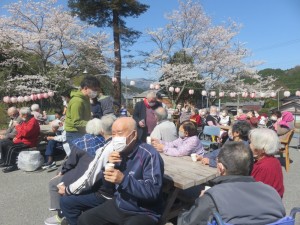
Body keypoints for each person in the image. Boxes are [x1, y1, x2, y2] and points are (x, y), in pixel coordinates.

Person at [77, 117, 164, 225]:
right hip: (120, 203)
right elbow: (108, 187)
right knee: (85, 219)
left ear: (134, 135)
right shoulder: (118, 153)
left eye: (119, 133)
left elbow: (153, 192)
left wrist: (123, 180)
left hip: (144, 211)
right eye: (113, 134)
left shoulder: (149, 154)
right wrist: (109, 166)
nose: (116, 138)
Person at [177, 142, 286, 225]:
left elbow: (187, 222)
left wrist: (197, 202)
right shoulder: (272, 193)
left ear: (220, 168)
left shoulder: (213, 197)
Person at [44, 115, 116, 225]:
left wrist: (62, 172)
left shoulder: (82, 142)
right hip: (100, 179)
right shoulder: (106, 141)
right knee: (62, 171)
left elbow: (70, 163)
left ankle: (61, 214)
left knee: (54, 182)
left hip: (88, 178)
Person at [1, 107, 40, 173]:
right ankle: (5, 161)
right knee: (4, 143)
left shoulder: (32, 121)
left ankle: (13, 165)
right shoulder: (26, 120)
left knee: (12, 148)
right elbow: (21, 131)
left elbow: (25, 133)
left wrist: (17, 125)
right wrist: (17, 138)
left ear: (25, 115)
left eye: (21, 115)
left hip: (29, 142)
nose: (20, 116)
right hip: (22, 140)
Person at [64, 76, 100, 145]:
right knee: (79, 154)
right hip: (74, 133)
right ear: (86, 88)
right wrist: (94, 124)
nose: (96, 92)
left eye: (97, 90)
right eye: (94, 89)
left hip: (81, 131)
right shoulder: (77, 101)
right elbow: (77, 122)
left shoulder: (85, 99)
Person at [249, 128, 284, 198]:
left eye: (251, 142)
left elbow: (251, 191)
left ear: (261, 149)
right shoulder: (273, 160)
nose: (249, 145)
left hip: (263, 203)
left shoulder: (263, 167)